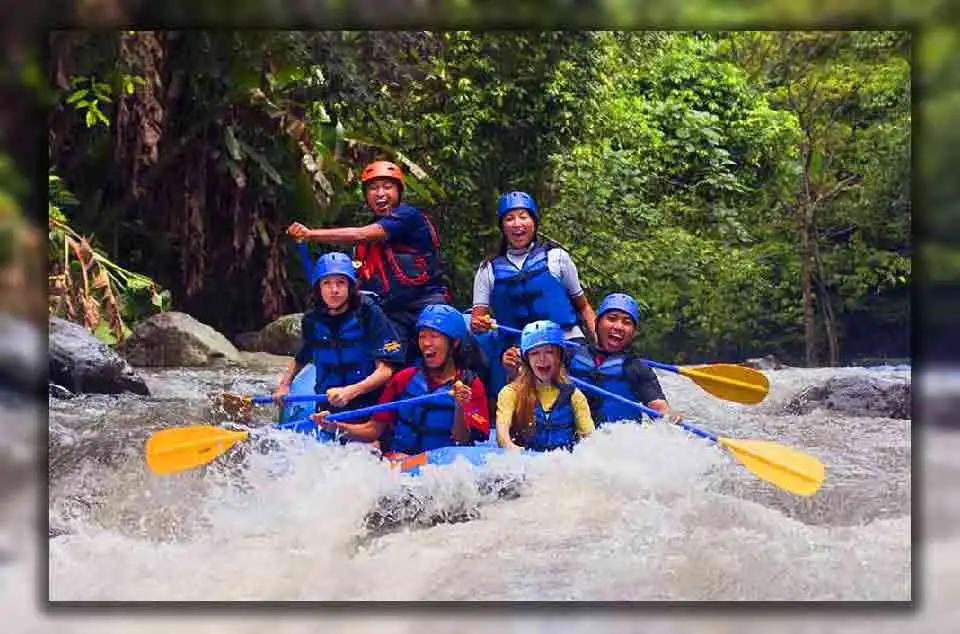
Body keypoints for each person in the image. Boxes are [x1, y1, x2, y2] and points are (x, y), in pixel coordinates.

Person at [286, 160, 449, 363]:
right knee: (388, 353)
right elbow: (359, 282)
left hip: (426, 305)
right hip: (392, 314)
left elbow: (360, 234)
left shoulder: (408, 217)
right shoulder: (365, 246)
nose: (380, 193)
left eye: (387, 187)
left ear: (399, 192)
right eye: (373, 188)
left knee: (440, 340)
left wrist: (310, 234)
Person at [312, 303, 490, 456]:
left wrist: (460, 406)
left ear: (455, 343)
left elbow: (462, 439)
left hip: (440, 472)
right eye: (422, 336)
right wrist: (333, 426)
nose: (426, 343)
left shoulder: (470, 385)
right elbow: (373, 430)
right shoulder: (405, 378)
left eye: (434, 336)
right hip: (401, 464)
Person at [272, 252, 406, 436]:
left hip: (366, 408)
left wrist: (350, 392)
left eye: (340, 283)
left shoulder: (368, 313)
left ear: (350, 286)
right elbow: (302, 357)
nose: (334, 290)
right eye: (326, 283)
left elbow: (385, 371)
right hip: (327, 408)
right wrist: (284, 385)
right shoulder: (312, 320)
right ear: (318, 288)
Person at [469, 190, 597, 383]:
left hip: (566, 341)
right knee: (515, 385)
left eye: (523, 217)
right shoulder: (488, 269)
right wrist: (479, 324)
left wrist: (598, 341)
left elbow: (583, 306)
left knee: (585, 374)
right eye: (510, 219)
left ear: (534, 222)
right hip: (521, 348)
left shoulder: (558, 258)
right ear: (502, 227)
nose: (517, 224)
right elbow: (477, 321)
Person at [567, 292, 675, 427]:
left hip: (614, 441)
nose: (618, 326)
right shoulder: (568, 356)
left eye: (627, 322)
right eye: (612, 319)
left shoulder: (636, 368)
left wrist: (671, 418)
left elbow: (660, 409)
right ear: (597, 323)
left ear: (633, 332)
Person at [495, 320, 595, 452]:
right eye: (534, 353)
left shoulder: (574, 395)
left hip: (562, 464)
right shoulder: (510, 393)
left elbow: (590, 438)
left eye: (549, 352)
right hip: (525, 464)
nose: (542, 359)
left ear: (559, 357)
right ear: (526, 359)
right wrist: (513, 450)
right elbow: (502, 436)